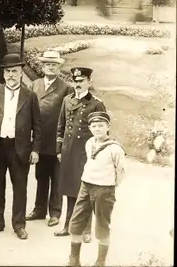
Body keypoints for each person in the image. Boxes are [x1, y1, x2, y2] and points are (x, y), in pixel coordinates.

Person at [0, 54, 41, 240]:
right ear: (3, 73)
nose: (11, 75)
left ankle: (19, 224)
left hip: (19, 147)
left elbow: (37, 125)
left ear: (21, 73)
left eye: (15, 71)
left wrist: (35, 149)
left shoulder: (30, 96)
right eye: (8, 71)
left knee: (20, 187)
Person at [66, 112, 126, 267]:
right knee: (76, 222)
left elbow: (121, 171)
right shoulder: (89, 143)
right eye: (94, 126)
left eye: (101, 126)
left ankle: (100, 262)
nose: (97, 129)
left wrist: (109, 185)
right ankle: (74, 260)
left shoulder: (115, 149)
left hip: (104, 189)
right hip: (86, 186)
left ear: (108, 127)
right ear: (90, 128)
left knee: (102, 225)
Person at [55, 67, 106, 242]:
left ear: (89, 82)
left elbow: (102, 132)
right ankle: (68, 225)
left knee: (86, 192)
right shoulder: (67, 100)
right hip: (68, 152)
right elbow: (60, 127)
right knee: (70, 190)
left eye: (81, 81)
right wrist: (58, 150)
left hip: (85, 154)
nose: (77, 84)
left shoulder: (96, 103)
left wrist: (97, 154)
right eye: (75, 81)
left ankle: (86, 229)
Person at [26, 51, 74, 228]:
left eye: (54, 64)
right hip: (39, 139)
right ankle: (39, 210)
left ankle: (55, 212)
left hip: (57, 139)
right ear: (42, 66)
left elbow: (68, 116)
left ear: (59, 67)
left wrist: (63, 141)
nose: (50, 67)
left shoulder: (66, 88)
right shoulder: (34, 85)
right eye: (47, 64)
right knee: (41, 176)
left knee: (57, 176)